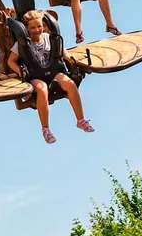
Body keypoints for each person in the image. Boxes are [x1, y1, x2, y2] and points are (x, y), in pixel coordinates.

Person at [7, 10, 94, 144]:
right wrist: (20, 71)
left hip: (53, 71)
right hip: (36, 75)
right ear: (27, 29)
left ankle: (81, 120)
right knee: (42, 90)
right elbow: (10, 61)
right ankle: (46, 130)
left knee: (70, 84)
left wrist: (72, 61)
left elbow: (64, 54)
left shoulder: (49, 38)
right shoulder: (21, 44)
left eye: (39, 26)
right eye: (33, 28)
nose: (37, 30)